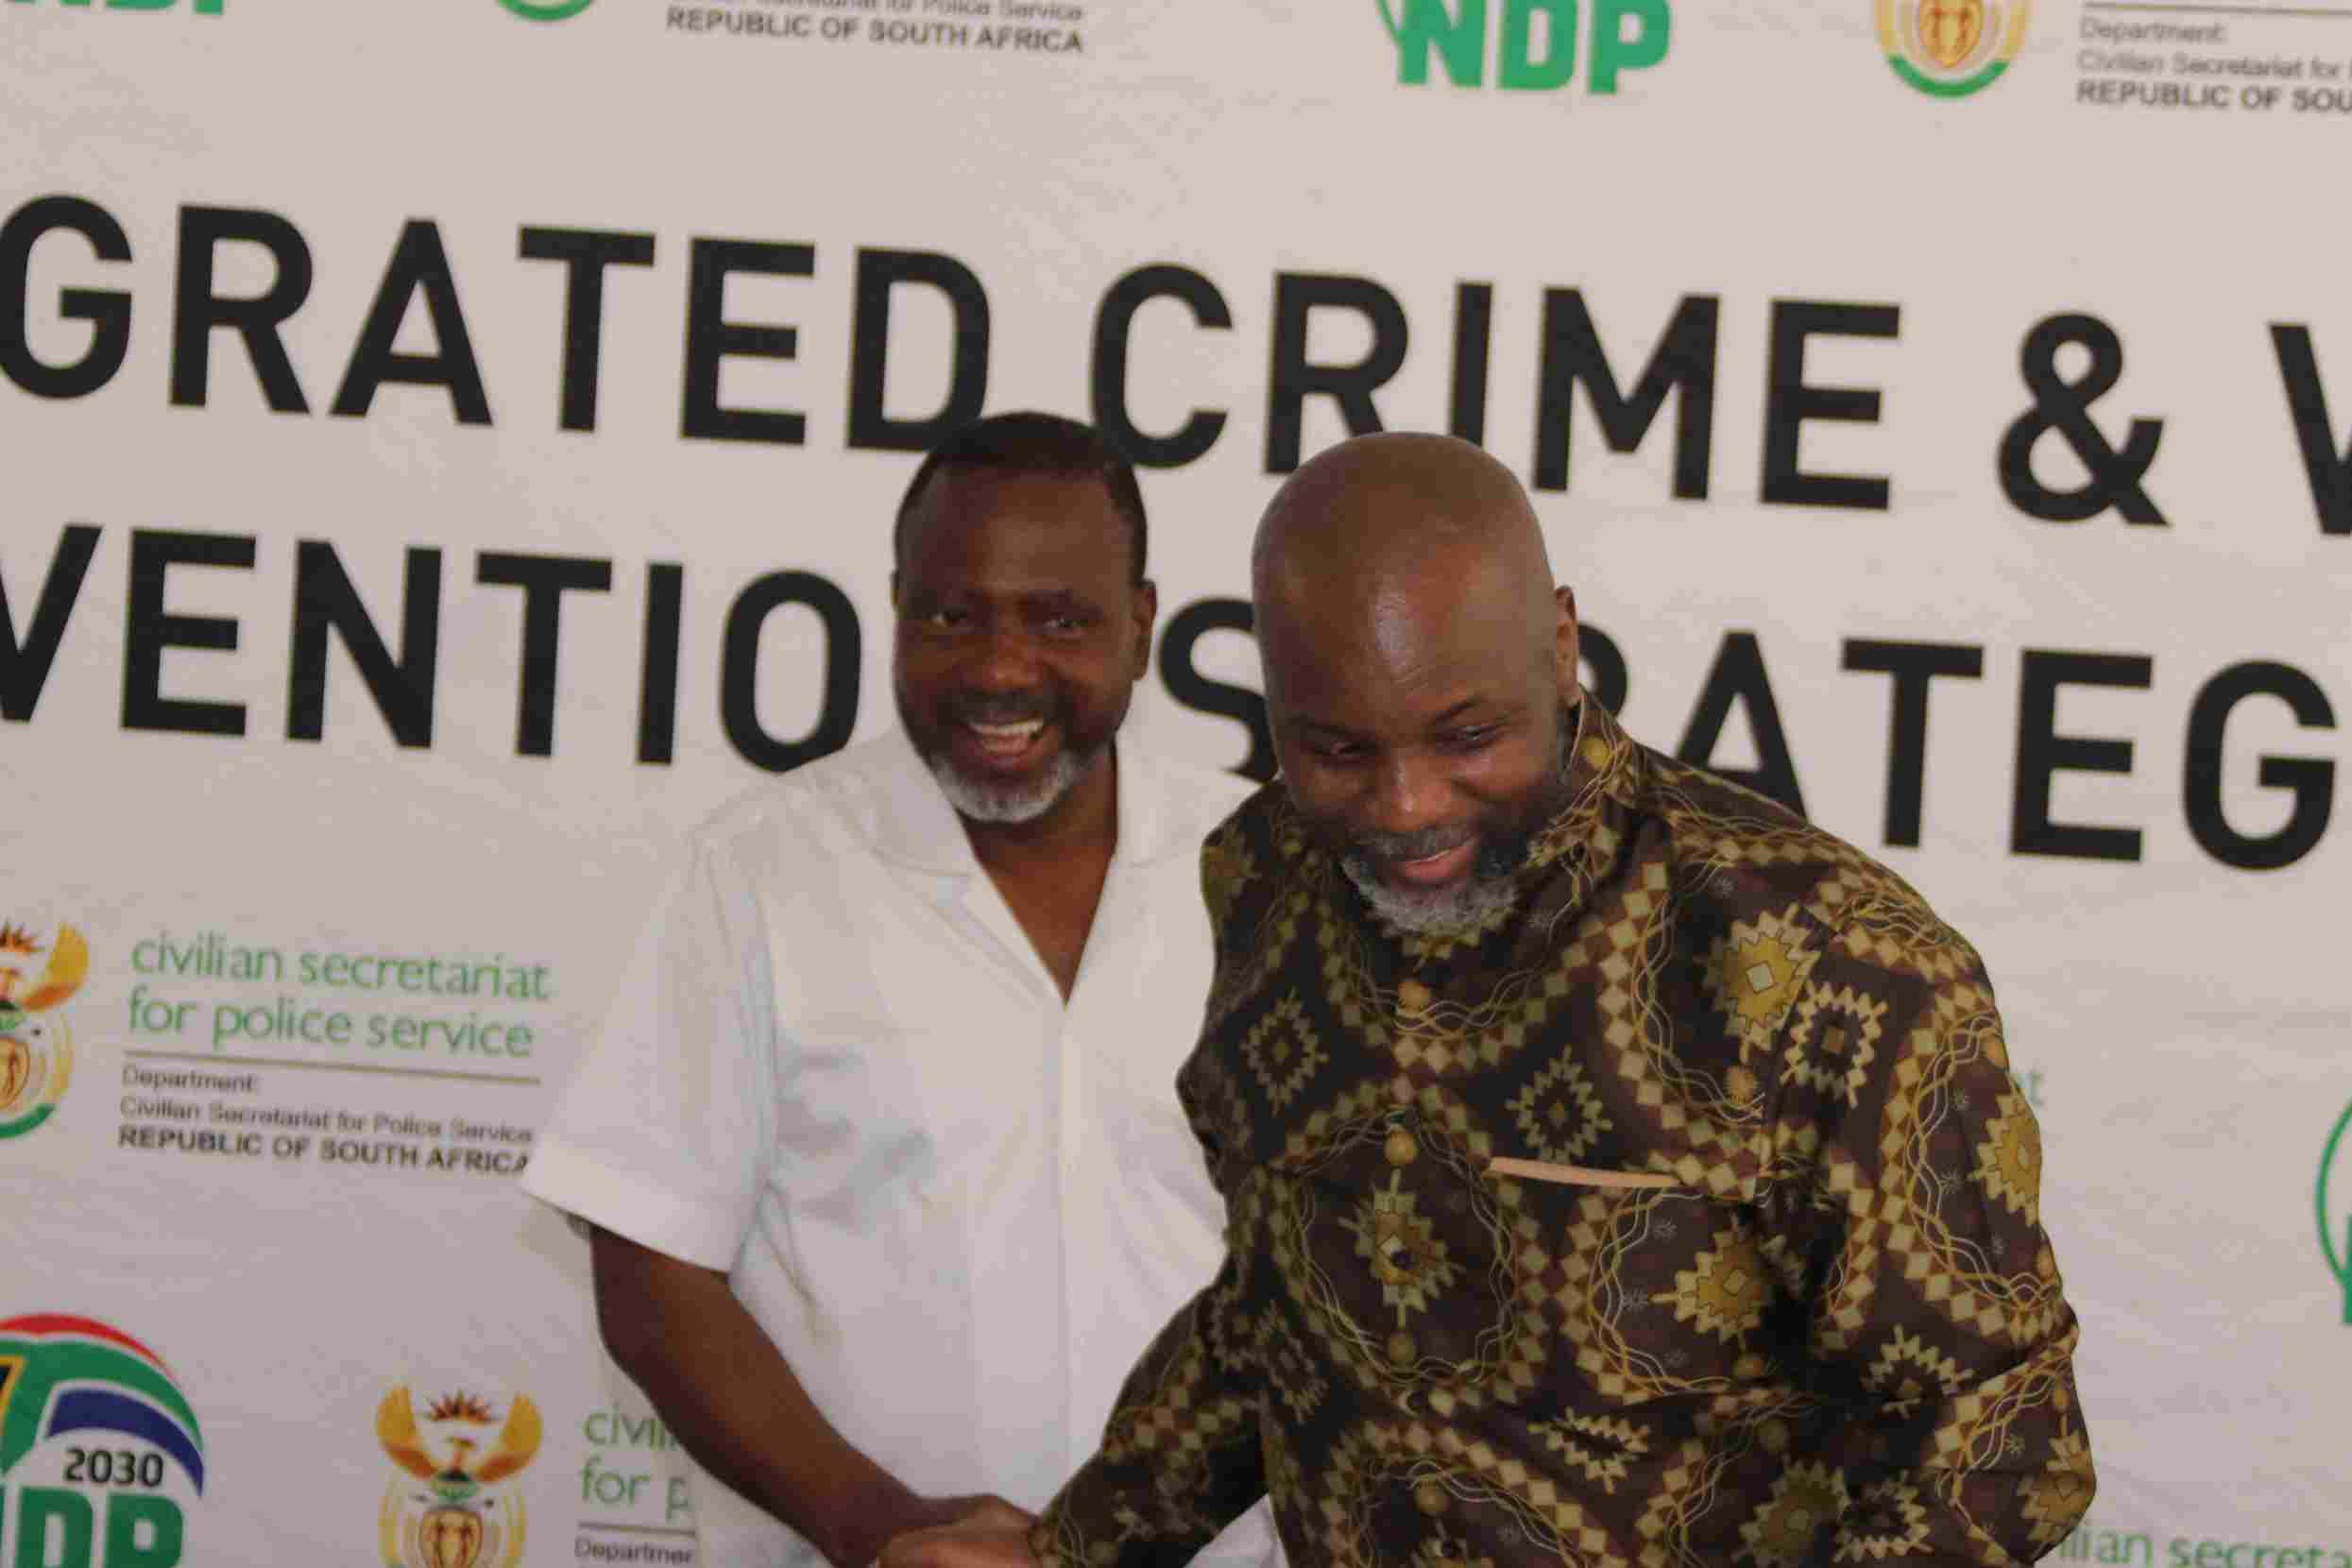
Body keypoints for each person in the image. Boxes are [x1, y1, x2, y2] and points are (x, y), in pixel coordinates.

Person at [892, 432, 2094, 1568]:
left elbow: (1996, 1439)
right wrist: (1076, 1546)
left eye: (1467, 735)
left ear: (1560, 645)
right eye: (1338, 750)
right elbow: (1278, 1315)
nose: (1407, 806)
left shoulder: (1826, 958)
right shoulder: (1262, 876)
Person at [520, 413, 1281, 1568]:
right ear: (894, 611)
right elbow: (651, 1265)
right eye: (950, 616)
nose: (1001, 668)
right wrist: (875, 1523)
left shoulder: (1274, 871)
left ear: (1141, 626)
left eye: (1060, 619)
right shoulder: (761, 871)